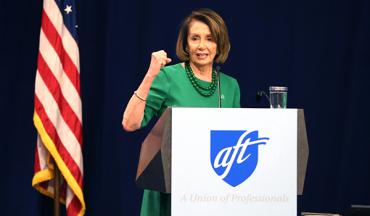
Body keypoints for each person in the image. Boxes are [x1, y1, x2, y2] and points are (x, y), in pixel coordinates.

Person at [122, 8, 240, 216]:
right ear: (186, 44)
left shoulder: (230, 86)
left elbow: (233, 145)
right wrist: (150, 75)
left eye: (210, 39)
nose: (202, 46)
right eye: (195, 38)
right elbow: (130, 123)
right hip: (169, 191)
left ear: (219, 44)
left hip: (212, 194)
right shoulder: (168, 77)